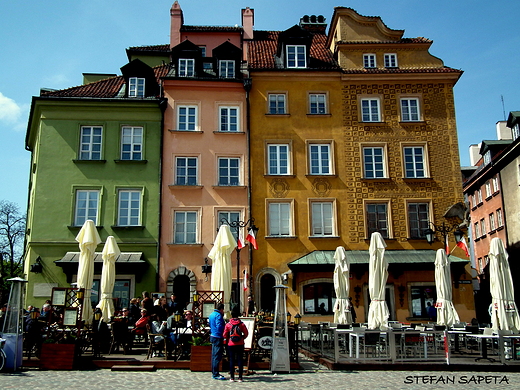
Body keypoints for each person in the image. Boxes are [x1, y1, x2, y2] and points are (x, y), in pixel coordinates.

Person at [223, 307, 249, 382]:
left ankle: (232, 377)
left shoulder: (228, 324)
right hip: (240, 343)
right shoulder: (241, 324)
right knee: (240, 360)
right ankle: (240, 378)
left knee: (231, 360)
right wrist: (242, 338)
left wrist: (227, 340)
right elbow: (246, 333)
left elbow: (225, 334)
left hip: (231, 344)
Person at [209, 303, 226, 380]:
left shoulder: (211, 314)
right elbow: (219, 326)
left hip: (212, 335)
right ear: (221, 309)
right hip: (218, 336)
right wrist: (224, 330)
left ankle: (214, 372)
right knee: (217, 356)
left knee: (213, 355)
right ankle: (215, 374)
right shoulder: (218, 315)